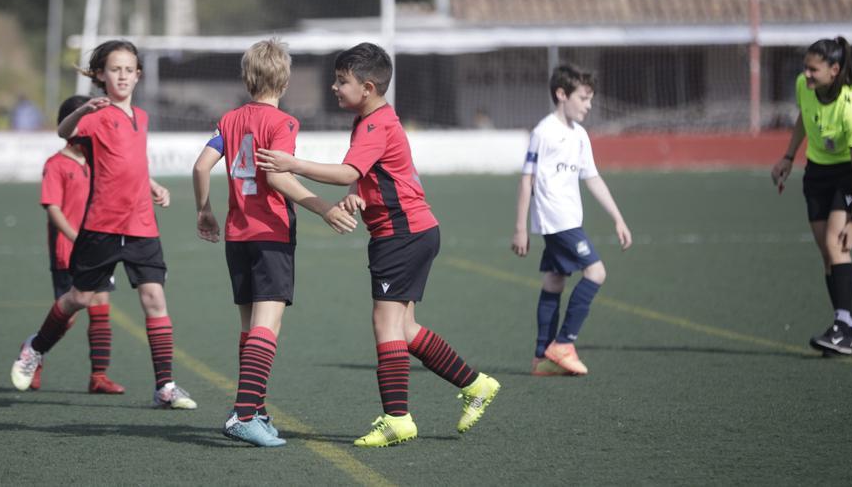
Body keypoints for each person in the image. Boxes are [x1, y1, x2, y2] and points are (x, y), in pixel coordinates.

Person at [255, 42, 500, 448]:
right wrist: (359, 194)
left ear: (367, 87)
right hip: (411, 232)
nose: (334, 87)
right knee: (404, 328)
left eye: (341, 81)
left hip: (402, 236)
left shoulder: (375, 124)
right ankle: (475, 384)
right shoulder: (372, 119)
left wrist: (293, 163)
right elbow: (369, 174)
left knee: (385, 326)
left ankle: (397, 418)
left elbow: (349, 169)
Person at [11, 40, 197, 410]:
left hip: (142, 225)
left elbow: (130, 163)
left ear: (138, 75)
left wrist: (153, 185)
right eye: (115, 69)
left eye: (129, 69)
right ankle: (36, 348)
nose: (123, 75)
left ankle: (165, 386)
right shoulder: (94, 116)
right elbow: (64, 134)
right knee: (79, 297)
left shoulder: (141, 118)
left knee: (154, 298)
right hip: (104, 226)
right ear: (100, 75)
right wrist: (80, 114)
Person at [192, 39, 358, 448]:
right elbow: (278, 178)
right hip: (270, 234)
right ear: (284, 81)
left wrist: (204, 210)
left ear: (247, 78)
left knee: (249, 329)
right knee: (268, 326)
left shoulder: (229, 120)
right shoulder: (283, 123)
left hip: (237, 234)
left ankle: (257, 408)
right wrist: (324, 209)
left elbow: (200, 166)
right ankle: (243, 415)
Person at [510, 64, 632, 377]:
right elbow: (527, 180)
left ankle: (542, 358)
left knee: (554, 280)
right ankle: (564, 343)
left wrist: (618, 218)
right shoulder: (543, 132)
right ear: (562, 95)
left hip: (568, 219)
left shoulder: (579, 135)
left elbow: (592, 178)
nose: (589, 105)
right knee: (596, 272)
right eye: (584, 98)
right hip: (557, 221)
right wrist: (521, 227)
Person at [771, 36, 852, 357]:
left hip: (847, 176)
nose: (807, 74)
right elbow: (804, 116)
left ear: (834, 69)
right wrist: (788, 156)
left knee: (835, 242)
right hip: (817, 174)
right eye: (805, 68)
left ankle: (845, 328)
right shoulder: (805, 86)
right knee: (827, 254)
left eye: (813, 69)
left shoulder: (851, 104)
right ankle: (844, 328)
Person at [30, 95, 124, 394]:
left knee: (101, 306)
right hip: (67, 252)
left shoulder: (98, 162)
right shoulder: (56, 165)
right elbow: (53, 208)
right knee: (67, 316)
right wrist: (75, 238)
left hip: (98, 250)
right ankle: (33, 351)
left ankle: (98, 376)